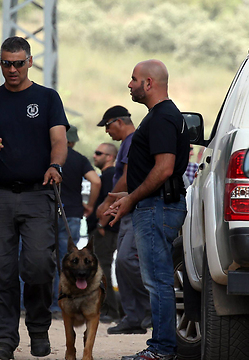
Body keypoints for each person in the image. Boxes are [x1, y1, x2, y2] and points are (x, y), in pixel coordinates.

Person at [0, 36, 69, 360]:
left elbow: (59, 140)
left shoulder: (48, 98)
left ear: (30, 62)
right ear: (0, 63)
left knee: (38, 265)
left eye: (18, 63)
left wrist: (55, 165)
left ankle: (38, 328)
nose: (12, 69)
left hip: (39, 195)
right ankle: (4, 340)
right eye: (6, 63)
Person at [107, 60, 190, 360]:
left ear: (149, 83)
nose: (129, 85)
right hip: (156, 205)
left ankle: (162, 349)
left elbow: (164, 168)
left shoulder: (162, 117)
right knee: (158, 280)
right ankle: (161, 346)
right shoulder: (162, 116)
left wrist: (132, 198)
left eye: (133, 79)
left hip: (156, 207)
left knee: (158, 282)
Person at [96, 105, 151, 335]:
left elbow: (128, 177)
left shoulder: (132, 140)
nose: (107, 131)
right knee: (121, 264)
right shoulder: (126, 143)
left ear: (118, 121)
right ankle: (133, 317)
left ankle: (151, 307)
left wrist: (108, 202)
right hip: (128, 212)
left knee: (128, 260)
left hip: (136, 208)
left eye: (107, 126)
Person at [50, 124, 100, 314]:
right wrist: (90, 205)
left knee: (39, 259)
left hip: (48, 213)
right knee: (68, 261)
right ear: (74, 141)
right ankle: (59, 305)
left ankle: (27, 304)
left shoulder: (49, 157)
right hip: (71, 215)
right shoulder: (79, 159)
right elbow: (96, 181)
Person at [86, 142, 122, 323]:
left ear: (109, 156)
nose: (94, 156)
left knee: (102, 268)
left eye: (99, 153)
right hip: (104, 229)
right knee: (100, 268)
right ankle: (109, 309)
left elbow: (112, 201)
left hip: (105, 230)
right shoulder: (106, 175)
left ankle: (110, 311)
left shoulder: (110, 175)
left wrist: (101, 224)